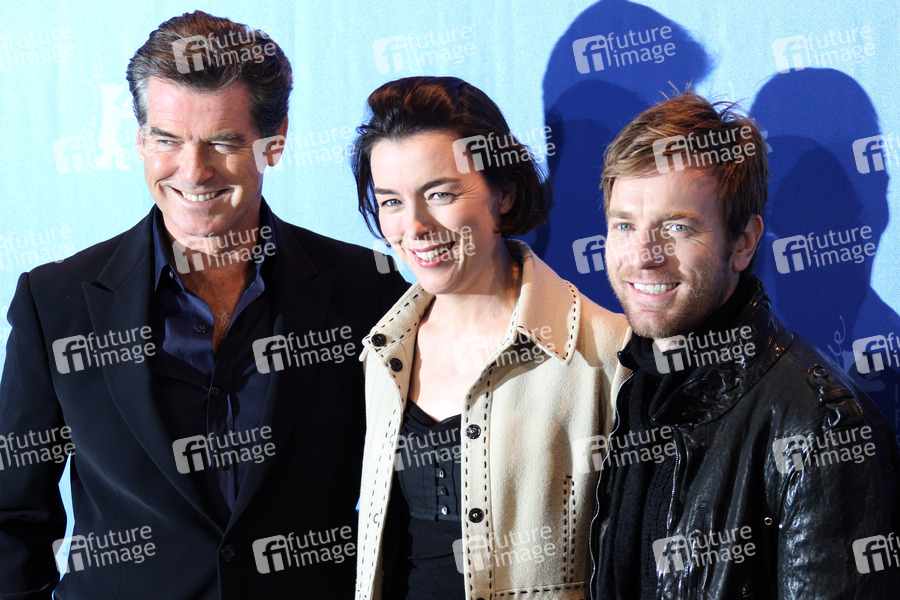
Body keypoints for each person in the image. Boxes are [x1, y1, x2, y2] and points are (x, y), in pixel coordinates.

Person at [0, 11, 407, 599]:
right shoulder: (55, 303)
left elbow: (410, 497)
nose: (193, 171)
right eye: (167, 139)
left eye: (223, 141)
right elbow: (13, 518)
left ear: (275, 141)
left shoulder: (366, 288)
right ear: (140, 139)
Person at [590, 91, 900, 598]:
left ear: (744, 242)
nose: (643, 255)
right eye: (624, 225)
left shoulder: (820, 425)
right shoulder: (630, 386)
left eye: (677, 227)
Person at [351, 76, 630, 600]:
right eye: (390, 202)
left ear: (504, 193)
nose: (414, 226)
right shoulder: (383, 351)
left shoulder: (606, 354)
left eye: (440, 194)